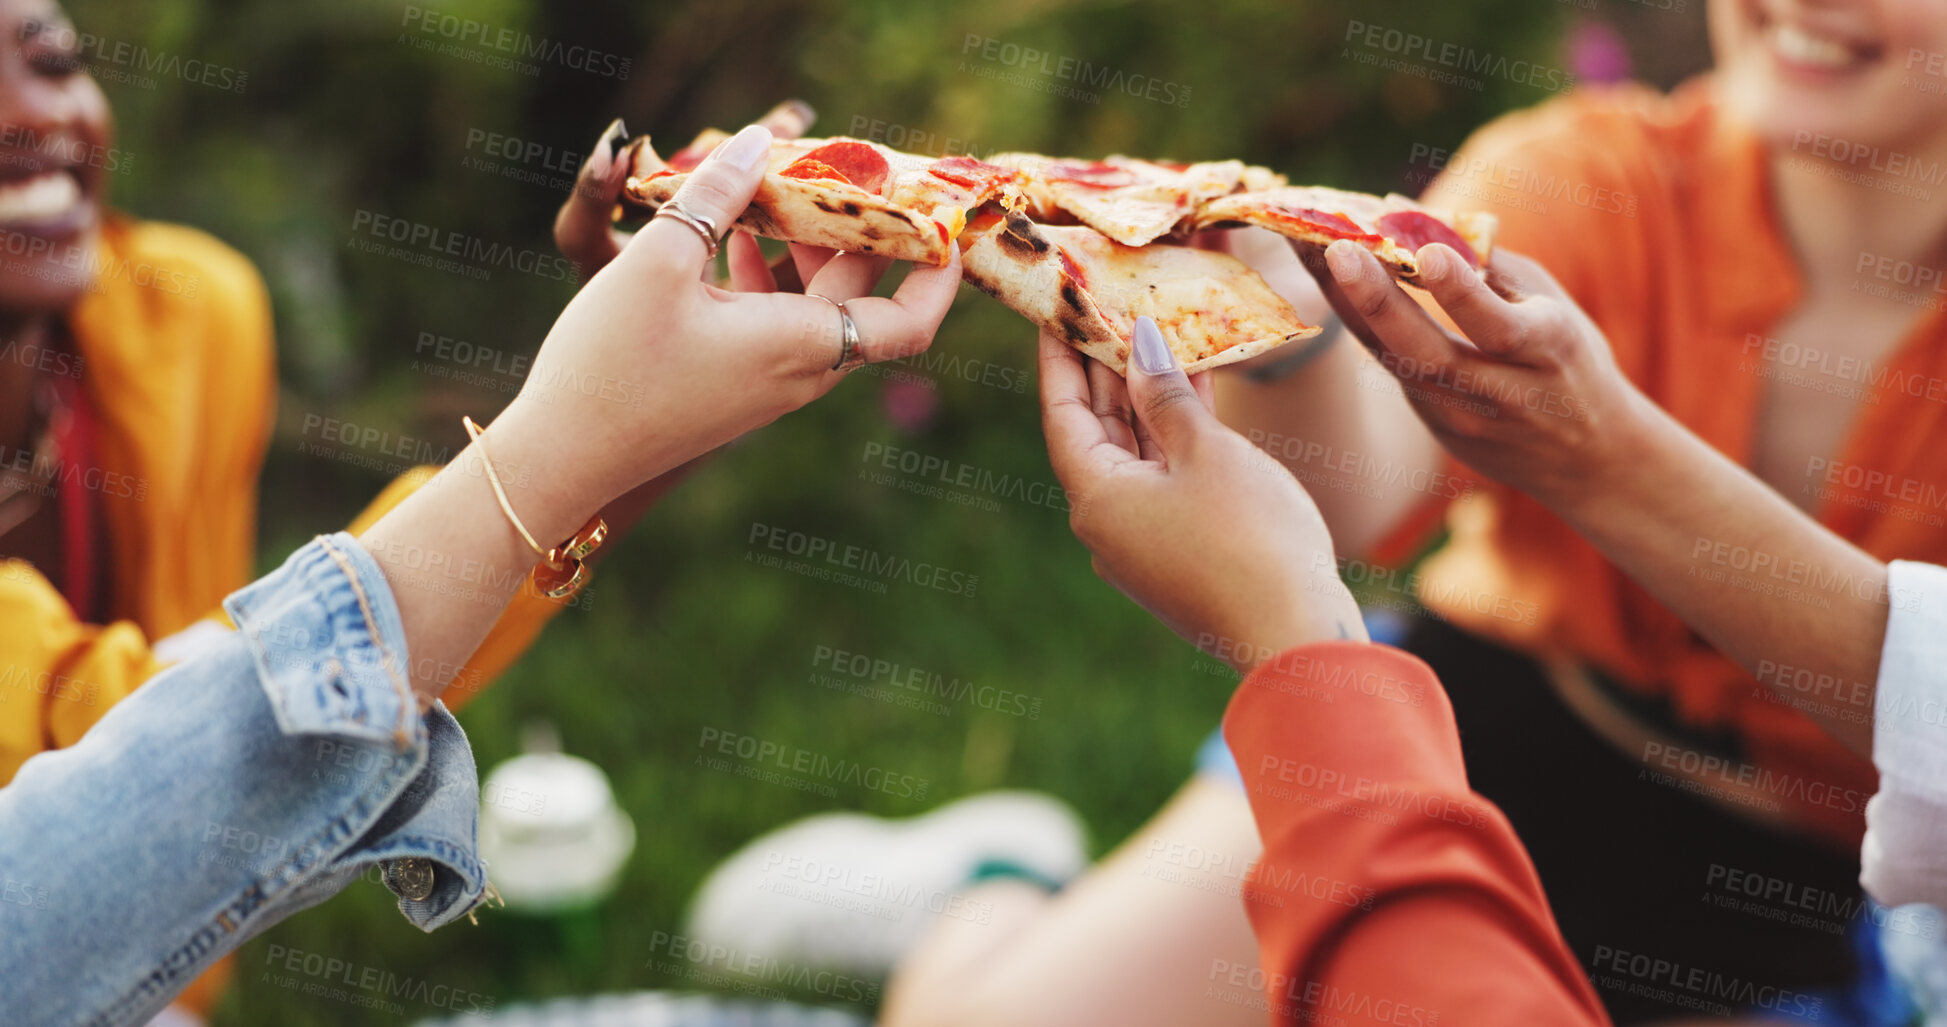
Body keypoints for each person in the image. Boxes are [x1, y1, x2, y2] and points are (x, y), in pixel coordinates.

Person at [0, 120, 964, 1026]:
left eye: (45, 53)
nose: (23, 114)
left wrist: (657, 403)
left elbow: (223, 669)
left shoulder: (181, 312)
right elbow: (141, 774)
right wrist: (582, 434)